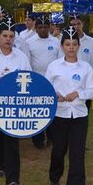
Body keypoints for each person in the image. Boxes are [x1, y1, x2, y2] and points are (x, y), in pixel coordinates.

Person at [46, 26, 93, 185]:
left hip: (79, 115)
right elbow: (46, 88)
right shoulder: (54, 66)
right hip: (60, 114)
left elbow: (92, 90)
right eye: (67, 44)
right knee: (59, 149)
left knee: (77, 153)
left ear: (78, 46)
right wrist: (56, 94)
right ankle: (54, 175)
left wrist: (78, 94)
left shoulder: (85, 67)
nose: (71, 48)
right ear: (62, 46)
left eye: (74, 44)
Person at [0, 17, 32, 185]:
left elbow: (29, 78)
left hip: (14, 105)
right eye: (5, 36)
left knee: (12, 139)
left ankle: (13, 178)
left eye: (11, 36)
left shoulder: (22, 57)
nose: (8, 39)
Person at [22, 15, 60, 149]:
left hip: (53, 81)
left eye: (45, 27)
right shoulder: (29, 42)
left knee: (52, 110)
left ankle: (51, 138)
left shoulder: (56, 42)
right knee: (36, 111)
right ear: (36, 28)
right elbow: (27, 61)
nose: (43, 30)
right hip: (35, 80)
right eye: (40, 27)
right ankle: (37, 139)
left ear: (49, 28)